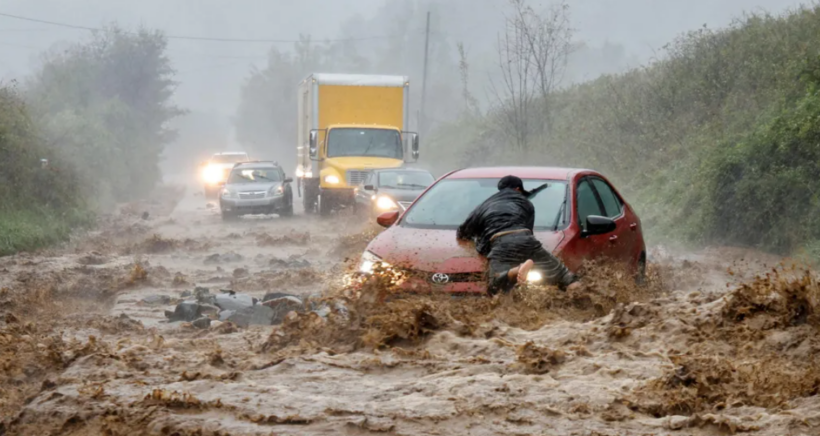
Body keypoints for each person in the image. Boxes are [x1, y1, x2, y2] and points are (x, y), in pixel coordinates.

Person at [456, 175, 579, 295]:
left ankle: (516, 271)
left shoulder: (484, 205)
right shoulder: (526, 203)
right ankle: (583, 301)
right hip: (526, 239)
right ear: (518, 189)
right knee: (565, 276)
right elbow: (529, 231)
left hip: (501, 242)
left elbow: (463, 232)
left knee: (494, 285)